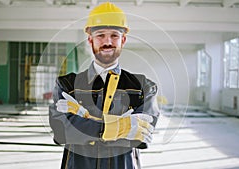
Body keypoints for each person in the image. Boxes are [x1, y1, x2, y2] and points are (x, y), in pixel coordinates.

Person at [49, 2, 159, 169]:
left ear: (123, 39)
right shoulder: (67, 85)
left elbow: (141, 136)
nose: (107, 42)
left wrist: (84, 119)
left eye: (114, 35)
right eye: (100, 35)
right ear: (90, 39)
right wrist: (122, 127)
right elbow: (61, 133)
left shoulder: (144, 87)